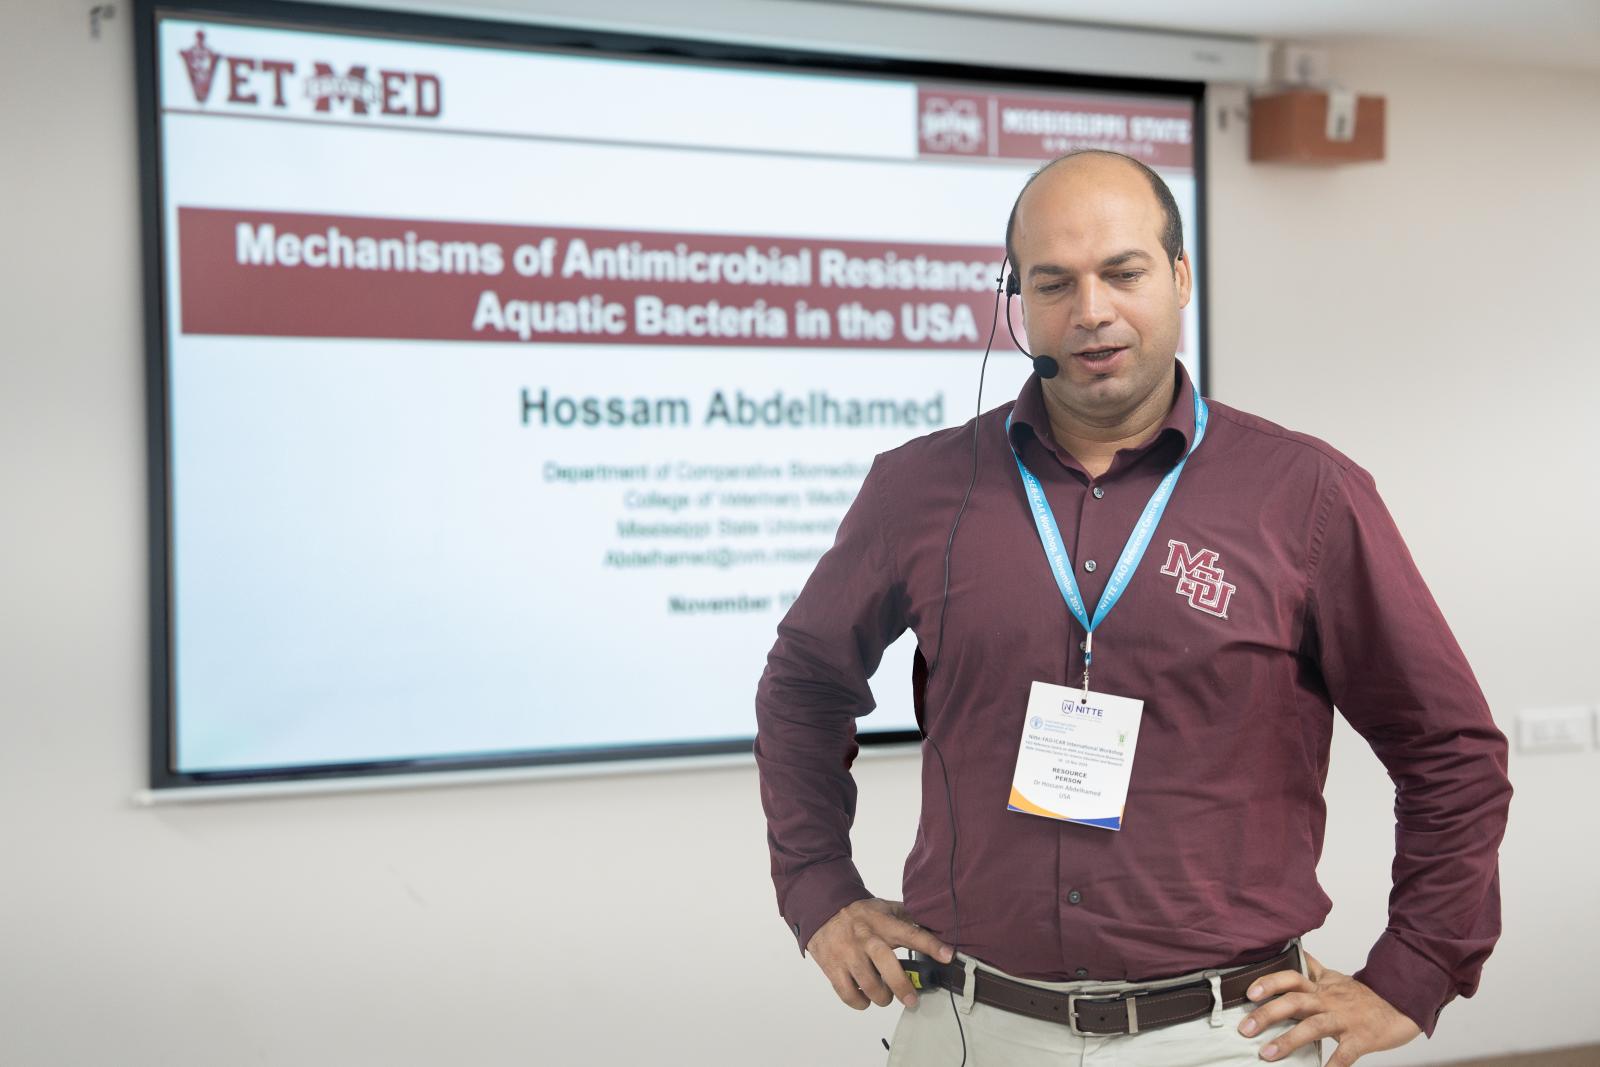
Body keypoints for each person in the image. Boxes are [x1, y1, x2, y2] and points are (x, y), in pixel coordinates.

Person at [753, 150, 1512, 1066]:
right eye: (1054, 283)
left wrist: (1415, 969)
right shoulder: (919, 488)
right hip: (972, 1027)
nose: (1092, 312)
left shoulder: (1307, 494)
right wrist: (817, 887)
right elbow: (803, 684)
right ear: (1016, 303)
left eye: (1123, 272)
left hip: (1225, 1036)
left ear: (1181, 276)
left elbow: (1451, 751)